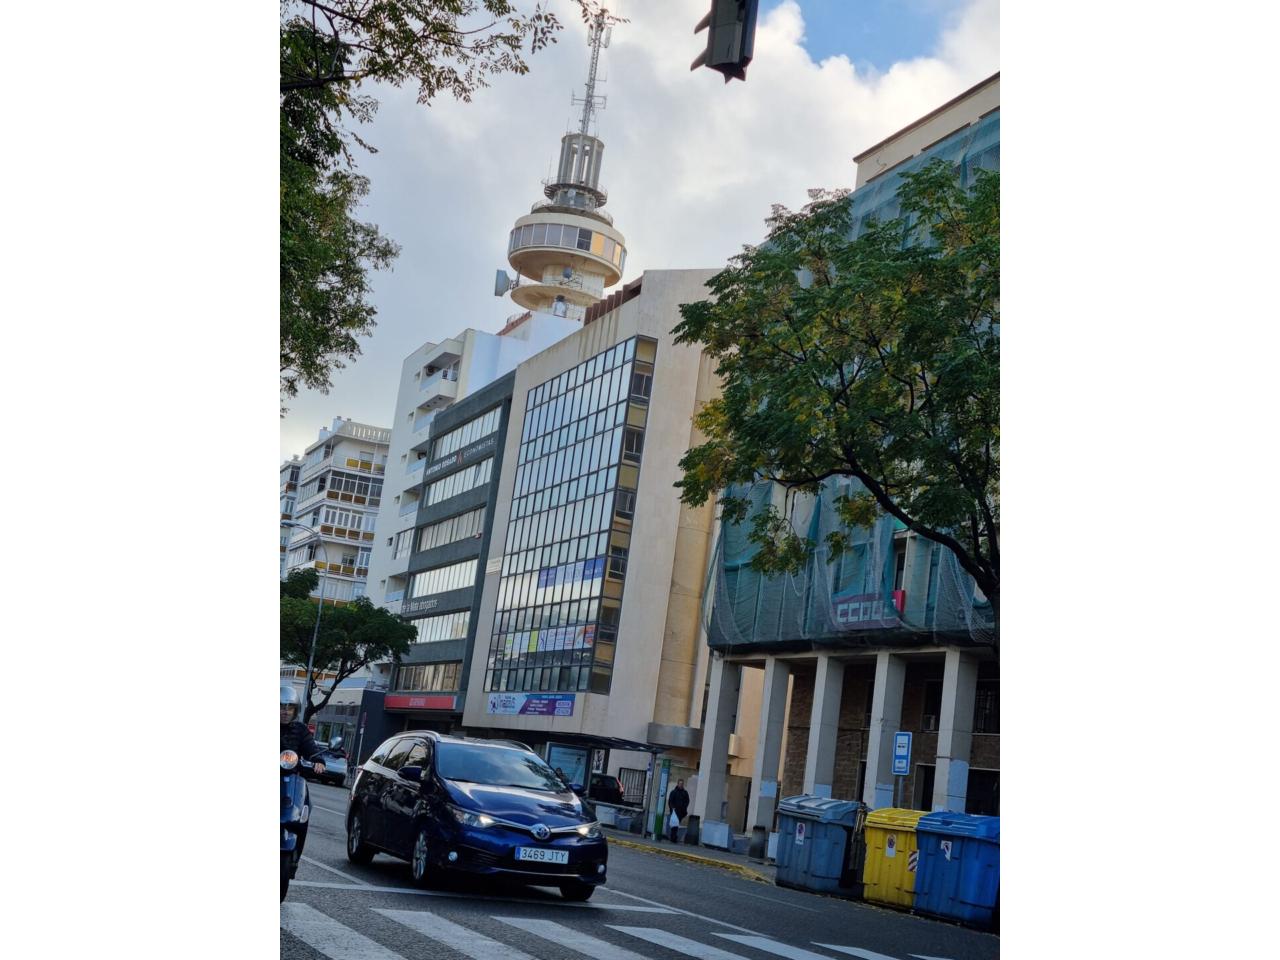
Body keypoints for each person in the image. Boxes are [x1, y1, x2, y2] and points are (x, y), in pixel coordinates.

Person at [280, 684, 326, 775]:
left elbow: (310, 747)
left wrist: (318, 760)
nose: (286, 712)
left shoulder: (300, 729)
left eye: (290, 708)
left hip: (291, 776)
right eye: (282, 708)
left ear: (295, 711)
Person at [667, 778, 690, 842]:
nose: (681, 785)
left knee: (676, 824)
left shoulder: (685, 793)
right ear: (677, 784)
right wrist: (672, 808)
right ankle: (673, 837)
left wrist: (684, 807)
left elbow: (687, 801)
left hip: (681, 812)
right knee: (674, 824)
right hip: (675, 811)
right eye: (680, 784)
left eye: (682, 784)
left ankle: (673, 837)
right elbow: (670, 801)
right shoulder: (674, 792)